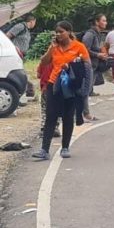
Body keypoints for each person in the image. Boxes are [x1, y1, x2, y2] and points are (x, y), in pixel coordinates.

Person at [33, 21, 92, 160]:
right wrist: (51, 49)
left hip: (71, 86)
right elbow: (44, 62)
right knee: (50, 117)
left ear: (69, 32)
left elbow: (87, 66)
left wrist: (84, 89)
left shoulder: (79, 47)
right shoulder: (55, 47)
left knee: (67, 116)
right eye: (57, 32)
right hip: (54, 84)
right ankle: (44, 150)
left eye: (61, 32)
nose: (58, 34)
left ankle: (65, 147)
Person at [81, 14, 108, 121]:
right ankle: (83, 114)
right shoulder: (90, 34)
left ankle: (84, 113)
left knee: (86, 91)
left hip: (94, 66)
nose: (106, 23)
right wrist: (98, 55)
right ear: (97, 22)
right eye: (104, 20)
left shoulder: (97, 34)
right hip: (88, 66)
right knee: (84, 91)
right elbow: (83, 49)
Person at [7, 15, 36, 97]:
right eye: (34, 22)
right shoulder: (20, 26)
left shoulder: (27, 30)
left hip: (21, 55)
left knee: (20, 73)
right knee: (17, 74)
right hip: (14, 54)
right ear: (32, 21)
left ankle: (26, 92)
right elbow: (8, 35)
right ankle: (24, 92)